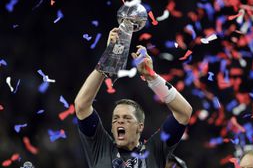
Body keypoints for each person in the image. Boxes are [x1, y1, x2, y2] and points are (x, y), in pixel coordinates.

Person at [74, 28, 193, 168]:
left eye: (127, 118)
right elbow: (81, 105)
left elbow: (184, 112)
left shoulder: (154, 151)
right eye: (115, 119)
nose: (119, 122)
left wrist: (152, 77)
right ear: (112, 128)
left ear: (140, 126)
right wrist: (107, 63)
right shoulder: (101, 147)